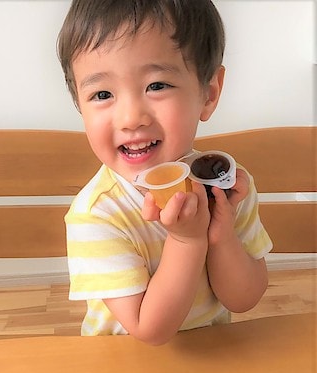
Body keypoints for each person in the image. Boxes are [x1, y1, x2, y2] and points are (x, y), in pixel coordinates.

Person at [57, 0, 273, 345]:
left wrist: (221, 236)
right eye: (102, 94)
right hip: (122, 364)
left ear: (208, 94)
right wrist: (188, 240)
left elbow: (244, 299)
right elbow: (150, 330)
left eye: (156, 86)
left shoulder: (225, 184)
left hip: (213, 354)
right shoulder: (97, 214)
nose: (131, 118)